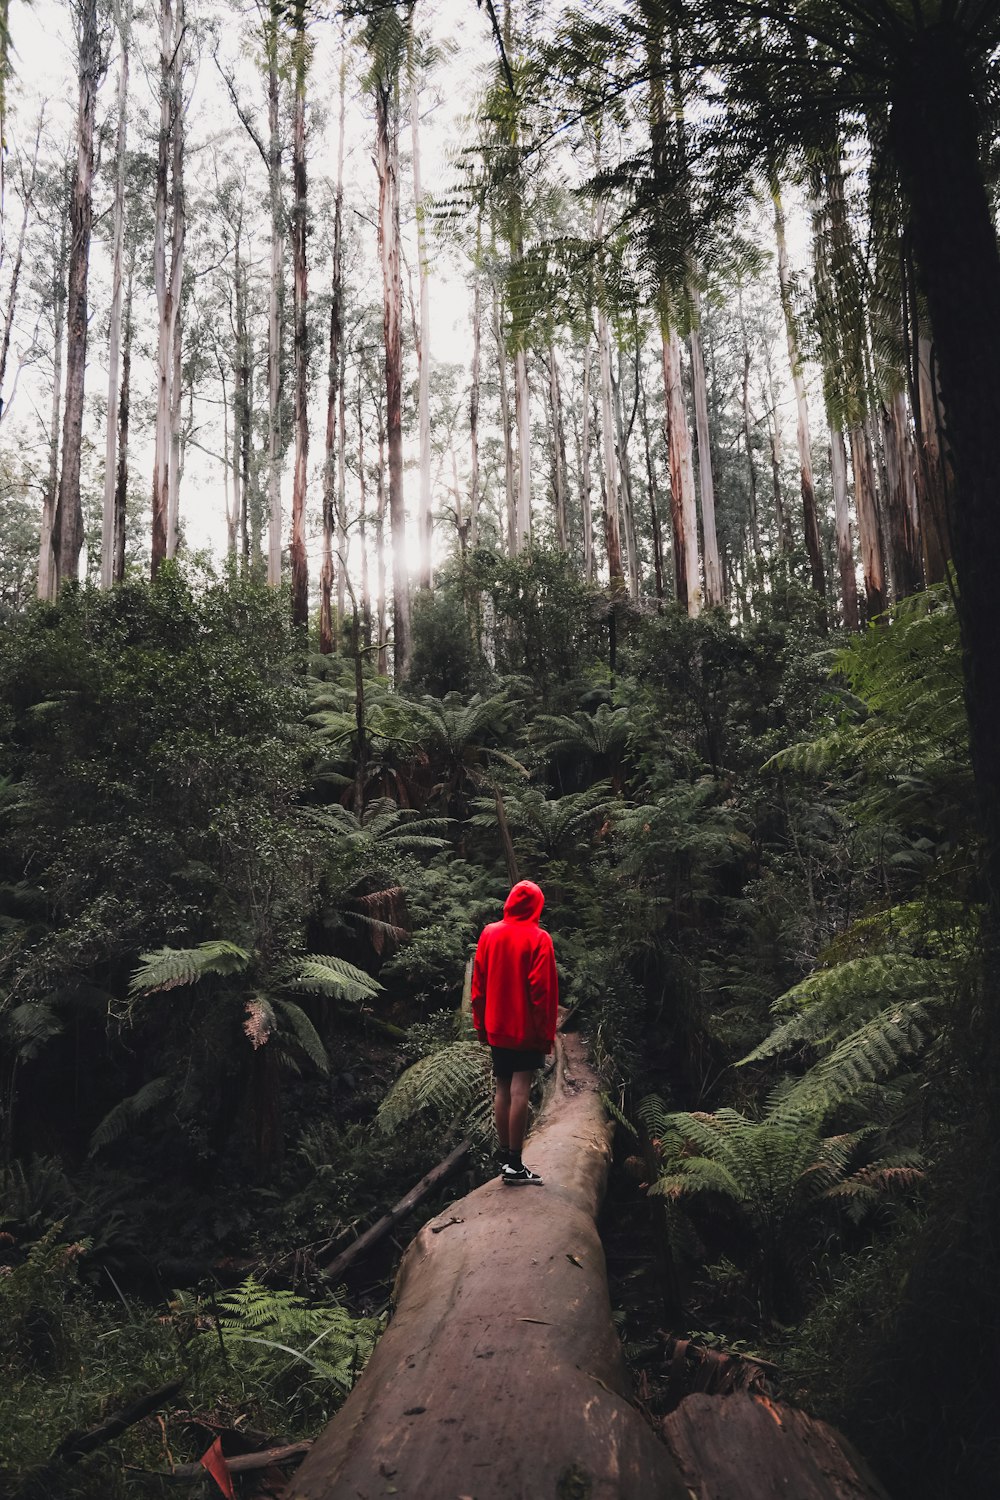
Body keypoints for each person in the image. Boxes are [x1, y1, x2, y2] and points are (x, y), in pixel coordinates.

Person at [470, 879, 558, 1185]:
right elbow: (542, 993)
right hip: (525, 1029)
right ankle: (516, 1165)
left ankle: (505, 1155)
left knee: (502, 1088)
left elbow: (478, 985)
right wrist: (545, 1033)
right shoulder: (539, 938)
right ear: (536, 905)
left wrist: (481, 1024)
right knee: (520, 1089)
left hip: (497, 1027)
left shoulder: (489, 933)